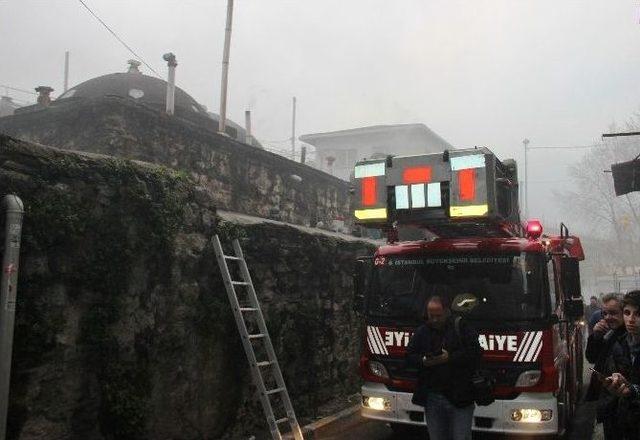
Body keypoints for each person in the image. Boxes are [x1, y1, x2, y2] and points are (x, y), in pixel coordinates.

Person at [405, 296, 482, 440]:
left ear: (446, 312)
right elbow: (409, 356)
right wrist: (423, 361)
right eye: (431, 316)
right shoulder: (422, 332)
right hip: (433, 398)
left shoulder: (461, 328)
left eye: (438, 316)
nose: (434, 319)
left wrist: (450, 358)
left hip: (460, 398)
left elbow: (475, 353)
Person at [584, 293, 625, 439]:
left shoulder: (629, 335)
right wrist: (595, 337)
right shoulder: (608, 334)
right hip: (610, 404)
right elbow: (591, 357)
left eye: (613, 313)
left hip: (625, 404)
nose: (607, 317)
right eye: (605, 313)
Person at [602, 290, 640, 439]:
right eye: (627, 312)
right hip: (623, 420)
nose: (631, 319)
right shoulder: (619, 343)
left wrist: (633, 390)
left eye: (638, 314)